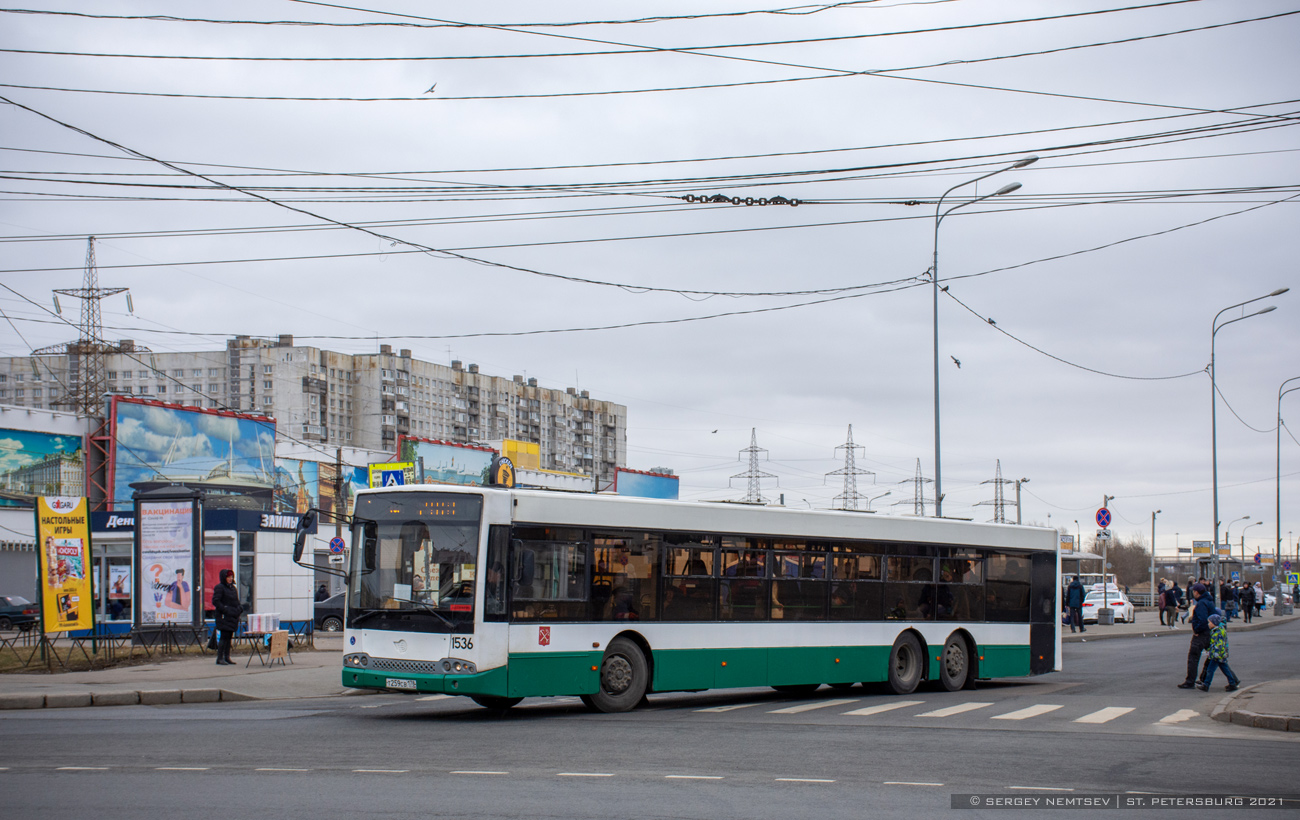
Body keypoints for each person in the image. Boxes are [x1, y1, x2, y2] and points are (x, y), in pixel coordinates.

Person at [1178, 583, 1216, 689]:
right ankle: (1231, 680)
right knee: (1215, 657)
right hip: (1209, 633)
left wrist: (1197, 630)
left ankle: (1190, 681)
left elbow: (1203, 619)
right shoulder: (1209, 601)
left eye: (1193, 591)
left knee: (1193, 657)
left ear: (1196, 592)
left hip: (1201, 634)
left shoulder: (1201, 603)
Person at [1197, 614, 1241, 692]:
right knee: (1225, 669)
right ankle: (1232, 683)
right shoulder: (1218, 630)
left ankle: (1206, 685)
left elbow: (1218, 645)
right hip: (1220, 654)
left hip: (1217, 655)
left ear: (1214, 623)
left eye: (1209, 622)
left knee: (1211, 670)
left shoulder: (1218, 632)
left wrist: (1213, 653)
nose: (1208, 624)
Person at [212, 568, 241, 666]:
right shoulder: (219, 587)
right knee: (224, 637)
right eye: (228, 577)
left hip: (232, 616)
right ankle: (220, 658)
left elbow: (236, 601)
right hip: (224, 616)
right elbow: (216, 601)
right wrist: (225, 609)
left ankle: (227, 657)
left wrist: (239, 609)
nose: (230, 578)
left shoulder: (233, 588)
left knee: (229, 637)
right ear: (224, 577)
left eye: (231, 577)